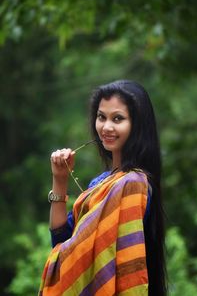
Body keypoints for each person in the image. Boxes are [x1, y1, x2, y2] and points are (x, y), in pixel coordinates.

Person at [39, 80, 167, 296]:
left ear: (137, 125)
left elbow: (72, 254)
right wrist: (59, 179)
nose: (106, 127)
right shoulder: (101, 182)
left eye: (118, 118)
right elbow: (62, 245)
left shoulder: (133, 184)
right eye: (101, 117)